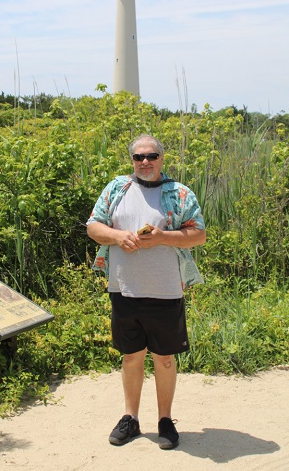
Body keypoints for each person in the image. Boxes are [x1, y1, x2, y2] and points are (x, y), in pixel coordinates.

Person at [86, 134, 206, 449]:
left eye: (151, 156)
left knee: (165, 359)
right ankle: (131, 419)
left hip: (166, 291)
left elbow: (198, 235)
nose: (145, 162)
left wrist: (164, 237)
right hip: (124, 289)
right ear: (132, 161)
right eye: (139, 157)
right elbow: (93, 227)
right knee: (131, 357)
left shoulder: (179, 193)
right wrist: (117, 237)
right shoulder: (116, 189)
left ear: (161, 158)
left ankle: (165, 420)